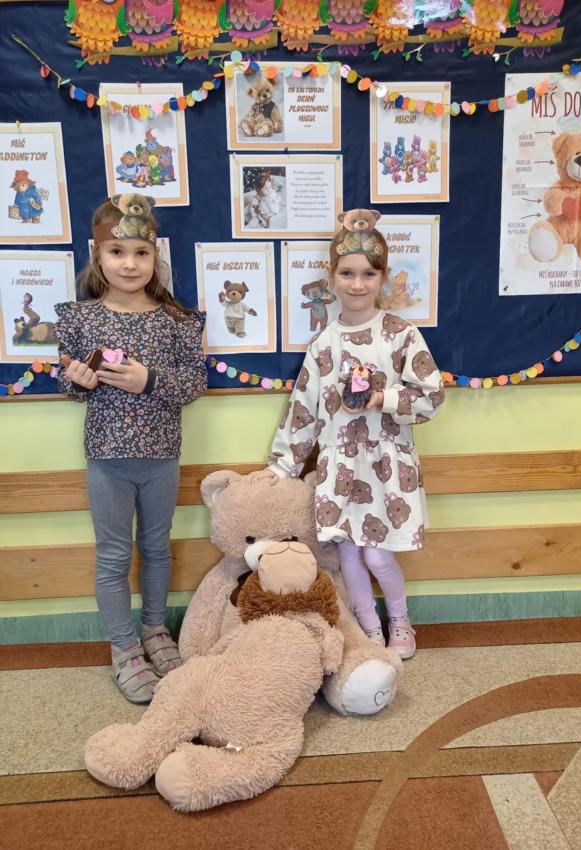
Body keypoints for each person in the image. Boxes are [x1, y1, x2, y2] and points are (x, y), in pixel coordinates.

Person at [250, 210, 445, 659]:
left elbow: (432, 396)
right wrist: (281, 466)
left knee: (377, 555)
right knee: (350, 555)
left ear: (383, 277)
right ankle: (369, 629)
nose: (357, 284)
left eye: (368, 274)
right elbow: (303, 410)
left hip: (386, 466)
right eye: (347, 273)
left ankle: (400, 620)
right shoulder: (324, 345)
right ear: (332, 277)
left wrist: (383, 398)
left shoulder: (400, 334)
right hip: (341, 467)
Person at [54, 196, 208, 704]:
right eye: (117, 252)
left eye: (141, 252)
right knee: (114, 555)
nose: (129, 263)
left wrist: (149, 380)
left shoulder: (176, 321)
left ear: (154, 256)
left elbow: (193, 385)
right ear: (98, 256)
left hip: (161, 457)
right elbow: (69, 385)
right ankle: (123, 648)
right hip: (106, 459)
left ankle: (155, 631)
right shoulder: (81, 320)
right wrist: (78, 381)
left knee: (158, 548)